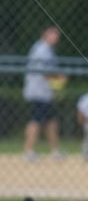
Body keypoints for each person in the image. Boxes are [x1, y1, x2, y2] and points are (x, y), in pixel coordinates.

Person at [23, 26, 66, 161]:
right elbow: (44, 72)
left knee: (50, 121)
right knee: (36, 120)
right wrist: (59, 78)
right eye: (52, 34)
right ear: (44, 35)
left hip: (44, 92)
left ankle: (55, 150)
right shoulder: (42, 50)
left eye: (56, 35)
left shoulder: (46, 49)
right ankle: (28, 151)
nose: (55, 37)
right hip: (38, 92)